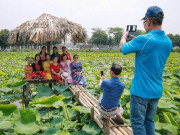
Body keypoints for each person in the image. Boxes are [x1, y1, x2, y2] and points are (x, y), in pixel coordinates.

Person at [119, 6, 172, 135]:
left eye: (144, 22)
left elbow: (122, 48)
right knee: (149, 121)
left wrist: (124, 36)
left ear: (148, 21)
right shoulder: (168, 42)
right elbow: (151, 49)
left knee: (137, 123)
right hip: (156, 90)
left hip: (141, 91)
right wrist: (136, 40)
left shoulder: (142, 39)